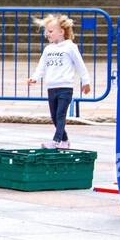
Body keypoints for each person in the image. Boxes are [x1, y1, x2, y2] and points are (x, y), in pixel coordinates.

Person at [26, 13, 91, 149]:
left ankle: (56, 141)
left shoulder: (70, 47)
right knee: (54, 117)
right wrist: (35, 78)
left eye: (50, 31)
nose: (47, 34)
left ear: (61, 32)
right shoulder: (48, 49)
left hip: (65, 88)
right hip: (51, 87)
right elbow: (41, 66)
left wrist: (86, 82)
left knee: (60, 115)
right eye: (46, 32)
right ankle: (65, 141)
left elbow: (80, 65)